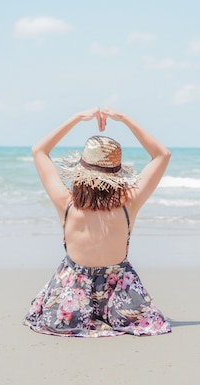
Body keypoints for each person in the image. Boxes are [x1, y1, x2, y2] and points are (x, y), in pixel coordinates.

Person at [23, 107, 172, 337]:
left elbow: (39, 150)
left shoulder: (67, 203)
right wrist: (124, 119)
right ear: (117, 174)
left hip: (71, 303)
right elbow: (163, 155)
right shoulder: (128, 203)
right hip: (121, 303)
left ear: (81, 171)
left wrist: (76, 118)